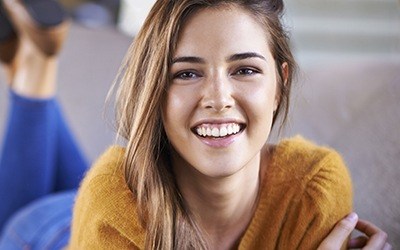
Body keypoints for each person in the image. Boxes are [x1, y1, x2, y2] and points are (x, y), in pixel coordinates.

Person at [0, 0, 391, 249]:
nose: (219, 98)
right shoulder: (110, 199)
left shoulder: (313, 186)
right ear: (156, 90)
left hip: (100, 206)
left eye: (245, 69)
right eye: (186, 74)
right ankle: (38, 66)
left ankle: (39, 61)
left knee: (86, 188)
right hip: (49, 234)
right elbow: (105, 203)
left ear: (279, 85)